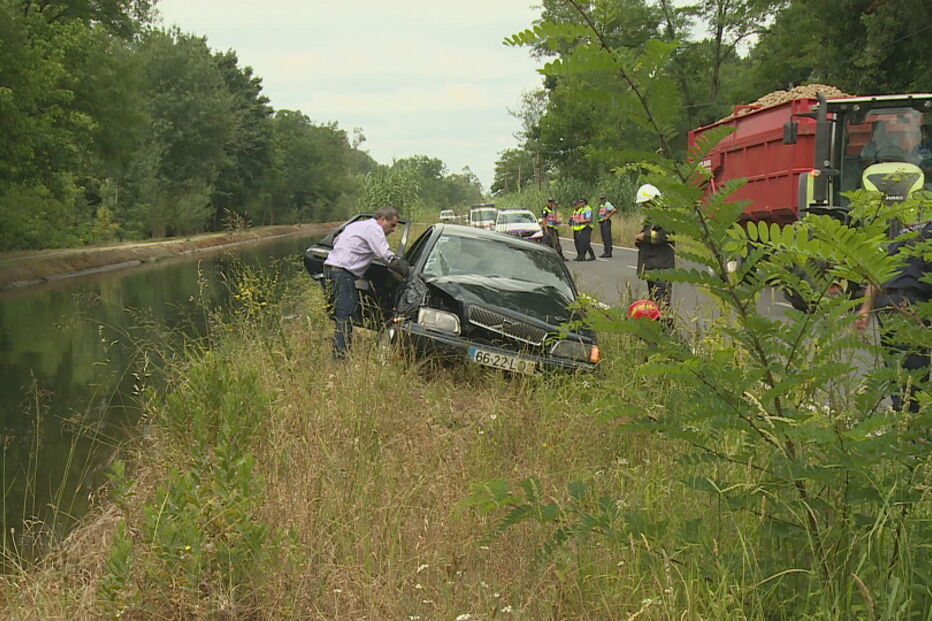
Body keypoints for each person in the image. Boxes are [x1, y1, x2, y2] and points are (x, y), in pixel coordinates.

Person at [855, 218, 932, 413]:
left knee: (897, 369)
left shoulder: (910, 230)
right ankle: (910, 428)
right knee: (913, 375)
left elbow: (878, 271)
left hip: (887, 302)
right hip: (909, 306)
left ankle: (902, 421)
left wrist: (865, 309)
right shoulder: (927, 234)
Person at [323, 206, 409, 360]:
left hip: (331, 270)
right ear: (382, 220)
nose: (394, 229)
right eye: (393, 225)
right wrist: (405, 269)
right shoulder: (374, 229)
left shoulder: (357, 225)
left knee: (342, 314)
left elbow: (336, 241)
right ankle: (339, 359)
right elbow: (385, 254)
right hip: (343, 274)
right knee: (346, 315)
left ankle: (341, 354)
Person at [634, 184, 674, 311]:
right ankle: (658, 329)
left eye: (645, 204)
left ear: (653, 200)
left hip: (662, 268)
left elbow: (666, 235)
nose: (644, 207)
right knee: (654, 307)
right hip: (652, 268)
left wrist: (644, 236)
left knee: (662, 306)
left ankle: (667, 330)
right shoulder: (652, 218)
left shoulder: (665, 215)